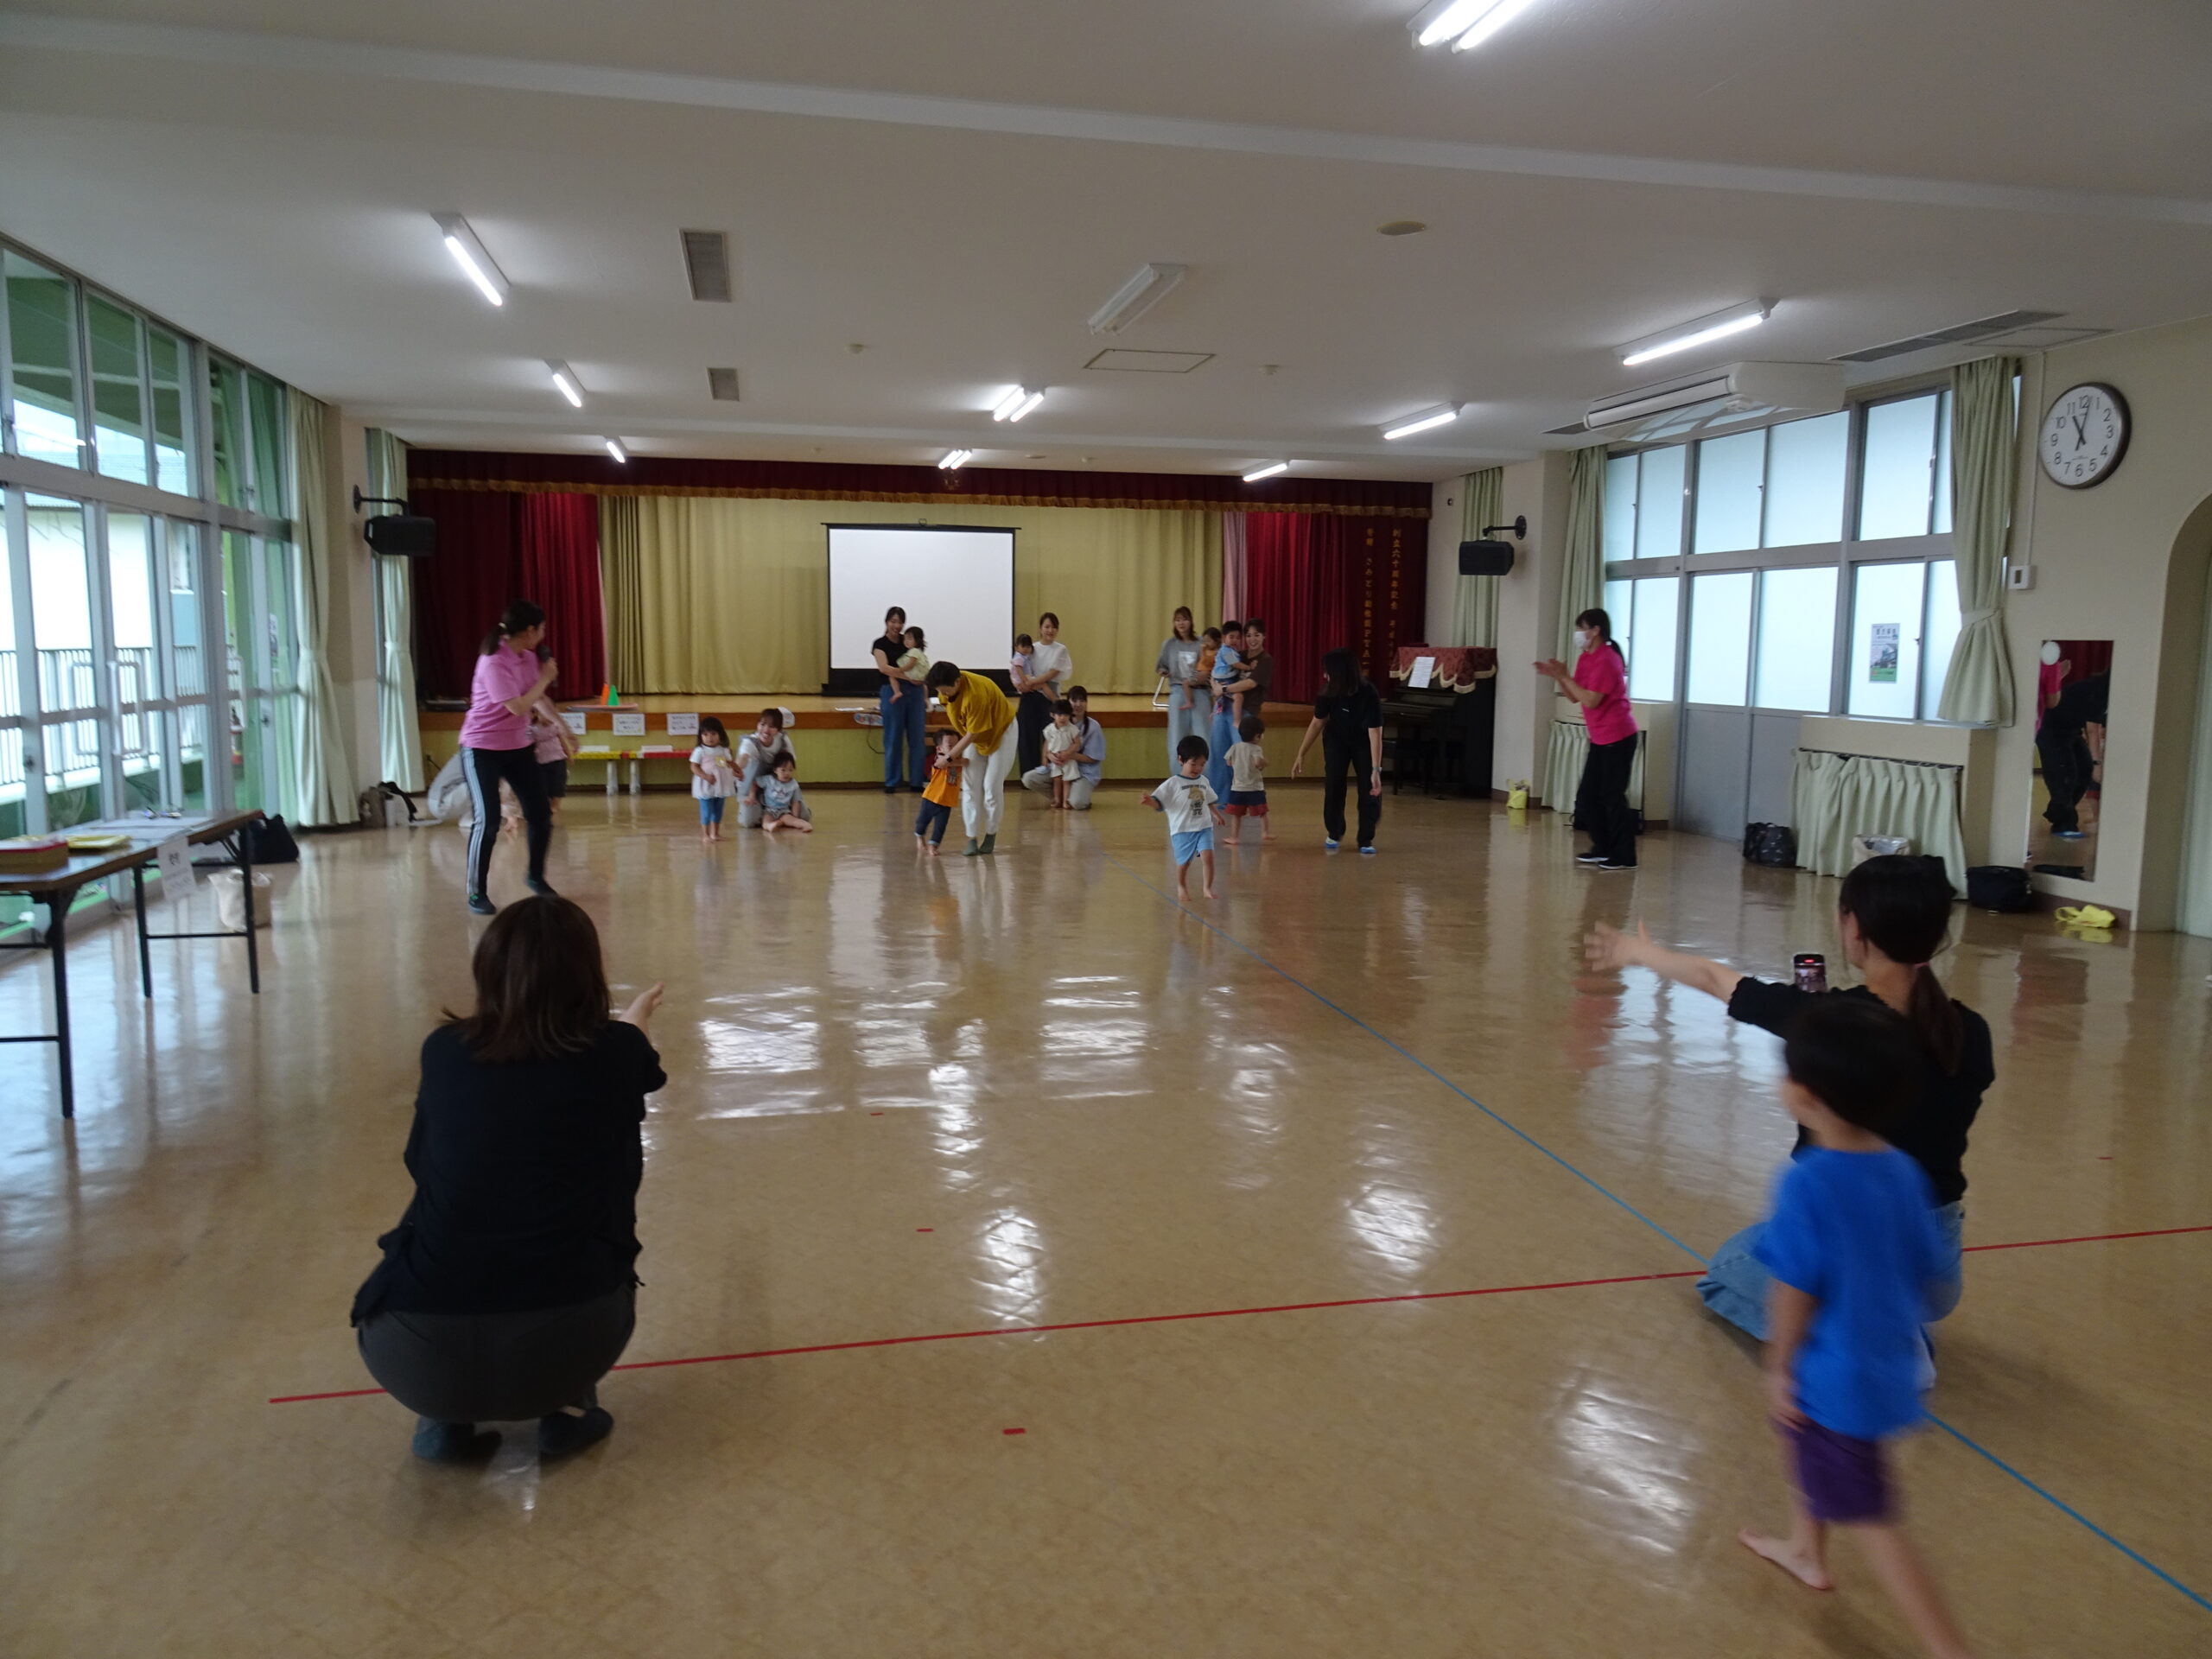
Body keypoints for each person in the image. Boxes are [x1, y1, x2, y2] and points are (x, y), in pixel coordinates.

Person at [1584, 855, 1993, 1341]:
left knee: (1726, 1272)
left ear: (1854, 927)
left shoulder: (1830, 1021)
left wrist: (1639, 952)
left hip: (1852, 1237)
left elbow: (1715, 979)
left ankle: (1863, 1328)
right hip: (1935, 1270)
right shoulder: (1970, 1031)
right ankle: (1887, 1316)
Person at [352, 897, 665, 1464]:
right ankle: (567, 1409)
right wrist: (633, 1025)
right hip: (566, 1343)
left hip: (410, 1352)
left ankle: (444, 1419)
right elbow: (628, 1058)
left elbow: (419, 1162)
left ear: (488, 970)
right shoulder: (615, 1054)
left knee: (445, 1224)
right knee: (594, 1230)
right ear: (587, 975)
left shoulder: (444, 1051)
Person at [1734, 996, 1978, 1659]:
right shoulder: (1902, 1169)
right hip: (1888, 1363)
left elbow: (1794, 1289)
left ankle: (1948, 1648)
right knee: (1804, 1445)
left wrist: (1780, 1366)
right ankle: (1805, 1549)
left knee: (1873, 1518)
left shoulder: (1807, 1183)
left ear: (1807, 1096)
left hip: (1836, 1379)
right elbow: (1926, 1272)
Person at [460, 599, 562, 914]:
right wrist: (545, 678)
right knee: (488, 820)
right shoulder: (494, 661)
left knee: (540, 814)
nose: (543, 635)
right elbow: (518, 706)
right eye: (541, 629)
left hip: (518, 748)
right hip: (481, 749)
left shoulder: (527, 658)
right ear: (530, 631)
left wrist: (563, 728)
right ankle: (476, 892)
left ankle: (535, 877)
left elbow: (538, 699)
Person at [1535, 607, 1639, 871]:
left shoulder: (1607, 659)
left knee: (1612, 796)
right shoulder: (1586, 658)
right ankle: (1603, 848)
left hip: (1618, 735)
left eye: (1582, 628)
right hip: (1600, 737)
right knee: (1589, 796)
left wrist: (1564, 676)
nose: (1578, 633)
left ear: (1595, 631)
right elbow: (1574, 696)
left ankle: (1625, 856)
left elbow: (1592, 700)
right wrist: (1559, 676)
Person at [1291, 648, 1384, 854]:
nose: (1325, 675)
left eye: (1328, 671)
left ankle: (1365, 839)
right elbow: (1317, 723)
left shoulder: (1368, 693)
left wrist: (1376, 769)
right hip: (1337, 740)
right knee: (1334, 783)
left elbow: (1375, 732)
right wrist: (1301, 753)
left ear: (1340, 672)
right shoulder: (1327, 692)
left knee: (1369, 787)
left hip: (1364, 742)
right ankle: (1334, 832)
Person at [925, 660, 1018, 855]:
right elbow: (964, 726)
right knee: (970, 786)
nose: (943, 694)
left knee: (991, 786)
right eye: (940, 691)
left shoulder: (975, 695)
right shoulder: (946, 690)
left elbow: (972, 734)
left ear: (958, 682)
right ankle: (972, 837)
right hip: (975, 735)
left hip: (1001, 731)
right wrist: (953, 753)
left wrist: (948, 758)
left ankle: (991, 834)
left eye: (946, 690)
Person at [1147, 734, 1224, 902]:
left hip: (1204, 827)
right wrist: (1150, 802)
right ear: (1181, 760)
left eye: (1202, 764)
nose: (1198, 768)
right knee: (1184, 863)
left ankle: (1207, 888)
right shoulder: (1173, 783)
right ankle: (1181, 886)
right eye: (1193, 764)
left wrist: (1216, 814)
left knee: (1208, 857)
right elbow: (1159, 802)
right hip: (1182, 829)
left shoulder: (1203, 781)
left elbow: (1208, 800)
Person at [2038, 668, 2108, 840]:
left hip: (2071, 730)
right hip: (2050, 729)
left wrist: (2091, 766)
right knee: (2064, 776)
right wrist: (2097, 764)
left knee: (2084, 771)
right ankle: (2064, 825)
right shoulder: (2099, 691)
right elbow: (2092, 730)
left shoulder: (2106, 692)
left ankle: (2058, 812)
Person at [871, 606, 927, 794]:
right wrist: (909, 677)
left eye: (900, 622)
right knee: (893, 736)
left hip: (915, 693)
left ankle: (916, 781)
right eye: (893, 621)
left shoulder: (908, 641)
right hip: (892, 691)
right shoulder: (880, 643)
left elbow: (920, 663)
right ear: (886, 622)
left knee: (917, 737)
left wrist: (919, 682)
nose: (897, 625)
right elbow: (884, 668)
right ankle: (892, 781)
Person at [1020, 683, 1106, 810]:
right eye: (1074, 700)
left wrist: (1069, 755)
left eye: (1082, 700)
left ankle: (1075, 798)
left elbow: (1093, 758)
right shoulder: (1059, 723)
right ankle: (1060, 798)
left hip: (1083, 772)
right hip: (1059, 768)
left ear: (1086, 703)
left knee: (1078, 803)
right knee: (1029, 779)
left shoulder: (1093, 727)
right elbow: (1048, 744)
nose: (1078, 704)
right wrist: (1050, 756)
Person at [1014, 613, 1072, 775]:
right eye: (1047, 627)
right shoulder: (1031, 648)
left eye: (1054, 627)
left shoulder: (1061, 649)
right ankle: (1028, 778)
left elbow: (1053, 673)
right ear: (1040, 628)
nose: (1050, 630)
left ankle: (1050, 776)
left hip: (1049, 696)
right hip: (1030, 695)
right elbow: (1018, 667)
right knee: (1027, 737)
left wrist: (1032, 682)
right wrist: (1023, 685)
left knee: (1051, 737)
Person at [1156, 606, 1211, 768]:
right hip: (1178, 691)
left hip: (1200, 692)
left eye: (1185, 619)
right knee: (1176, 738)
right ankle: (1178, 776)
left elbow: (1209, 665)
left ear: (1191, 621)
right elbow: (1161, 666)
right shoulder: (1169, 644)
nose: (1181, 623)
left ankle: (1206, 777)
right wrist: (1165, 672)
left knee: (1204, 736)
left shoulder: (1201, 643)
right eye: (1178, 620)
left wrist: (1200, 676)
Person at [734, 709, 796, 829]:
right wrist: (736, 769)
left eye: (771, 726)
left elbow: (790, 764)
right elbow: (743, 758)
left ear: (778, 730)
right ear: (757, 725)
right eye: (762, 725)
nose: (766, 730)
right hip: (753, 789)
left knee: (803, 815)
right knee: (749, 822)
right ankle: (767, 814)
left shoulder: (783, 740)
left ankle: (772, 814)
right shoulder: (750, 741)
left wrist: (787, 790)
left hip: (777, 788)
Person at [1205, 621, 1245, 798]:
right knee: (1238, 696)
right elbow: (1236, 666)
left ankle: (1234, 796)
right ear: (1224, 638)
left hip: (1222, 687)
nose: (1235, 640)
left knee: (1236, 754)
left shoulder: (1231, 652)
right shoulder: (1228, 652)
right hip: (1225, 684)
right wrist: (1249, 667)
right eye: (1231, 637)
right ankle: (1220, 796)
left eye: (1237, 637)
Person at [1222, 714, 1274, 845]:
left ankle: (1234, 837)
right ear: (1257, 736)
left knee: (1237, 815)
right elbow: (1257, 762)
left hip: (1238, 788)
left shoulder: (1235, 747)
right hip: (1255, 788)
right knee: (1263, 812)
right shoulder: (1256, 749)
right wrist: (1265, 763)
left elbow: (1228, 762)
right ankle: (1265, 832)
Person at [689, 715, 738, 844]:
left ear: (720, 735)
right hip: (705, 785)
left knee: (718, 810)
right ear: (700, 736)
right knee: (706, 810)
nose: (709, 737)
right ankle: (705, 834)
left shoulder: (723, 750)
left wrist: (739, 771)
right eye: (705, 734)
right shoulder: (700, 751)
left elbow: (730, 762)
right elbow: (694, 766)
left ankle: (715, 833)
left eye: (713, 734)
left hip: (720, 785)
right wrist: (705, 776)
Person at [914, 732, 963, 855]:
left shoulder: (959, 761)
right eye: (950, 746)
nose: (955, 749)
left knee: (940, 826)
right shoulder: (939, 759)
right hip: (931, 798)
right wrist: (961, 761)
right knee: (922, 822)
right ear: (939, 749)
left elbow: (966, 762)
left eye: (958, 746)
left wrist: (961, 760)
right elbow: (946, 763)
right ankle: (920, 837)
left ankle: (933, 846)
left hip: (947, 801)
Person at [1040, 698, 1083, 808]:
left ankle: (1066, 801)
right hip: (1055, 760)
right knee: (1057, 779)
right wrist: (1045, 757)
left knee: (1067, 781)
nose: (1063, 718)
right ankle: (1057, 800)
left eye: (1066, 715)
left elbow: (1077, 743)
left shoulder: (1072, 729)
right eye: (1059, 715)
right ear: (1052, 715)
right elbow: (1047, 743)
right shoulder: (1049, 729)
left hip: (1068, 760)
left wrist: (1068, 753)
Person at [758, 754, 813, 835]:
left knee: (792, 821)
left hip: (784, 811)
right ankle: (770, 826)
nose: (787, 773)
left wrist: (795, 817)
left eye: (790, 770)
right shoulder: (768, 780)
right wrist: (751, 795)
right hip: (770, 810)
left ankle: (805, 825)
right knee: (765, 821)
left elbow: (796, 802)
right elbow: (755, 783)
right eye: (783, 770)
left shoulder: (793, 784)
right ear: (775, 770)